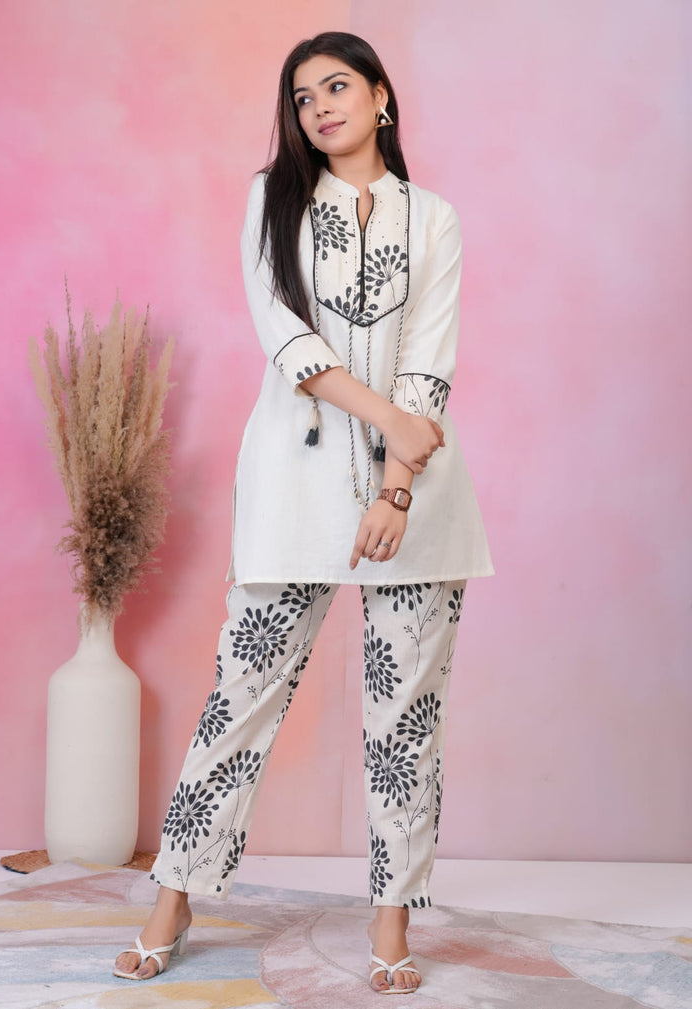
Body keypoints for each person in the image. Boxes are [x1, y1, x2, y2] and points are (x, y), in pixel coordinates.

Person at [114, 30, 493, 995]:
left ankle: (391, 921)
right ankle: (175, 895)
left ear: (382, 97)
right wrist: (389, 424)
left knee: (406, 719)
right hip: (295, 481)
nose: (319, 106)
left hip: (420, 497)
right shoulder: (273, 200)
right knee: (241, 693)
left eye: (337, 86)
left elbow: (430, 357)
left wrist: (398, 484)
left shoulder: (434, 219)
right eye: (302, 96)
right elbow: (286, 338)